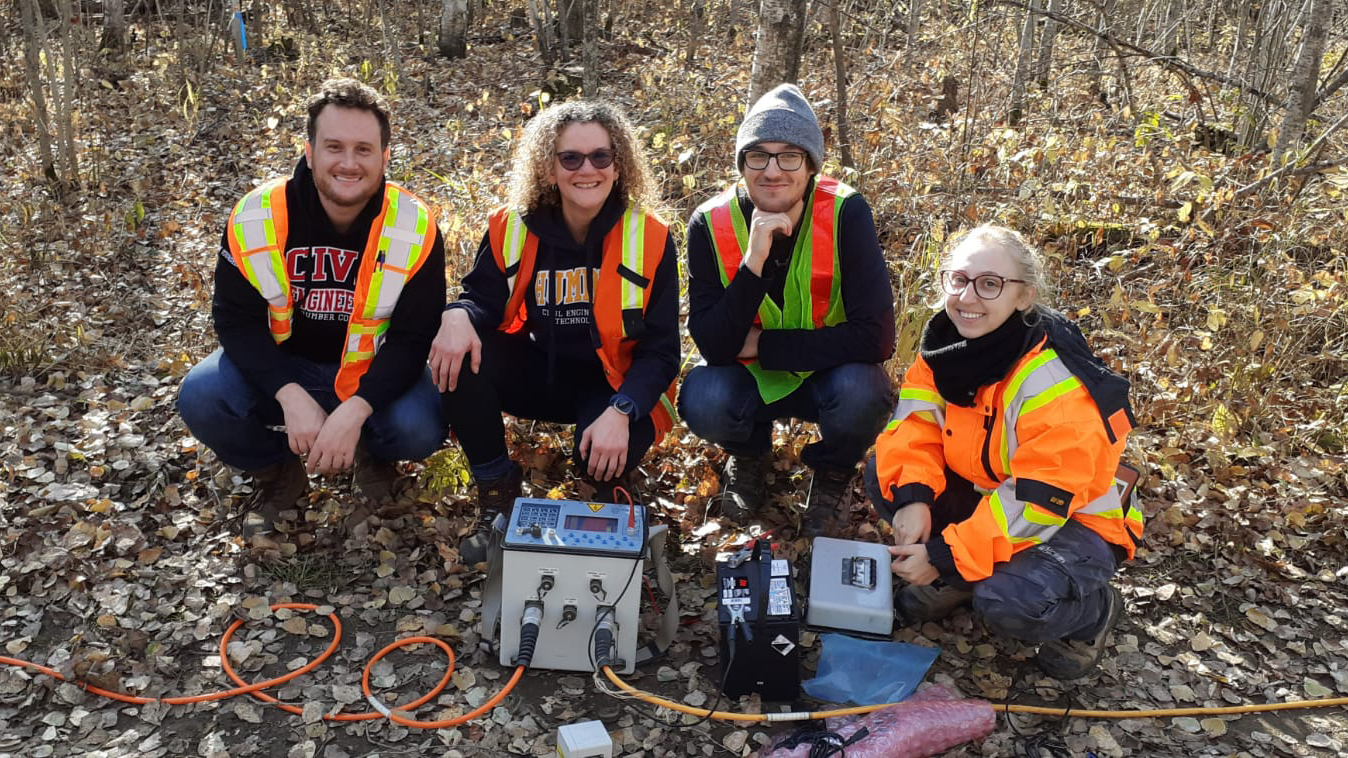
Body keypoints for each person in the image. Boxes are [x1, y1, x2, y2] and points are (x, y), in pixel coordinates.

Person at [867, 225, 1143, 679]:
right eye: (958, 279)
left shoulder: (1055, 383)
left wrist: (943, 556)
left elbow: (1040, 500)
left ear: (1024, 296)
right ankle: (962, 577)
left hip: (1076, 521)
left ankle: (1093, 612)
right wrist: (915, 497)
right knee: (887, 472)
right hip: (994, 493)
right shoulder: (945, 348)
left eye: (990, 284)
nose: (968, 298)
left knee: (1011, 601)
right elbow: (915, 425)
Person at [178, 78, 446, 538]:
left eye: (364, 149)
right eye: (334, 146)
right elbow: (235, 322)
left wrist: (357, 409)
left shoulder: (415, 225)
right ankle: (279, 472)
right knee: (201, 397)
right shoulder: (256, 215)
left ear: (385, 157)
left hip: (370, 371)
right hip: (285, 366)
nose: (348, 163)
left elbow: (413, 337)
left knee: (423, 425)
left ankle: (372, 455)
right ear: (309, 150)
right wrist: (288, 394)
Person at [433, 100, 679, 564]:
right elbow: (480, 299)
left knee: (601, 463)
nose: (587, 169)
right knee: (461, 349)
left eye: (600, 157)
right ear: (549, 169)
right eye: (571, 158)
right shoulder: (512, 228)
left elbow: (663, 352)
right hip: (541, 374)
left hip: (614, 385)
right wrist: (455, 315)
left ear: (618, 166)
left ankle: (607, 478)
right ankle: (497, 490)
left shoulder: (650, 237)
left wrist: (623, 411)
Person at [680, 83, 895, 538]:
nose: (773, 170)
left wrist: (763, 344)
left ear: (811, 166)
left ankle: (833, 473)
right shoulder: (709, 222)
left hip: (829, 377)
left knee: (865, 390)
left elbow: (876, 338)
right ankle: (749, 455)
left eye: (790, 156)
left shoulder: (846, 213)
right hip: (750, 378)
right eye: (758, 155)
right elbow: (714, 345)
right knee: (704, 397)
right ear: (742, 165)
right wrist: (753, 261)